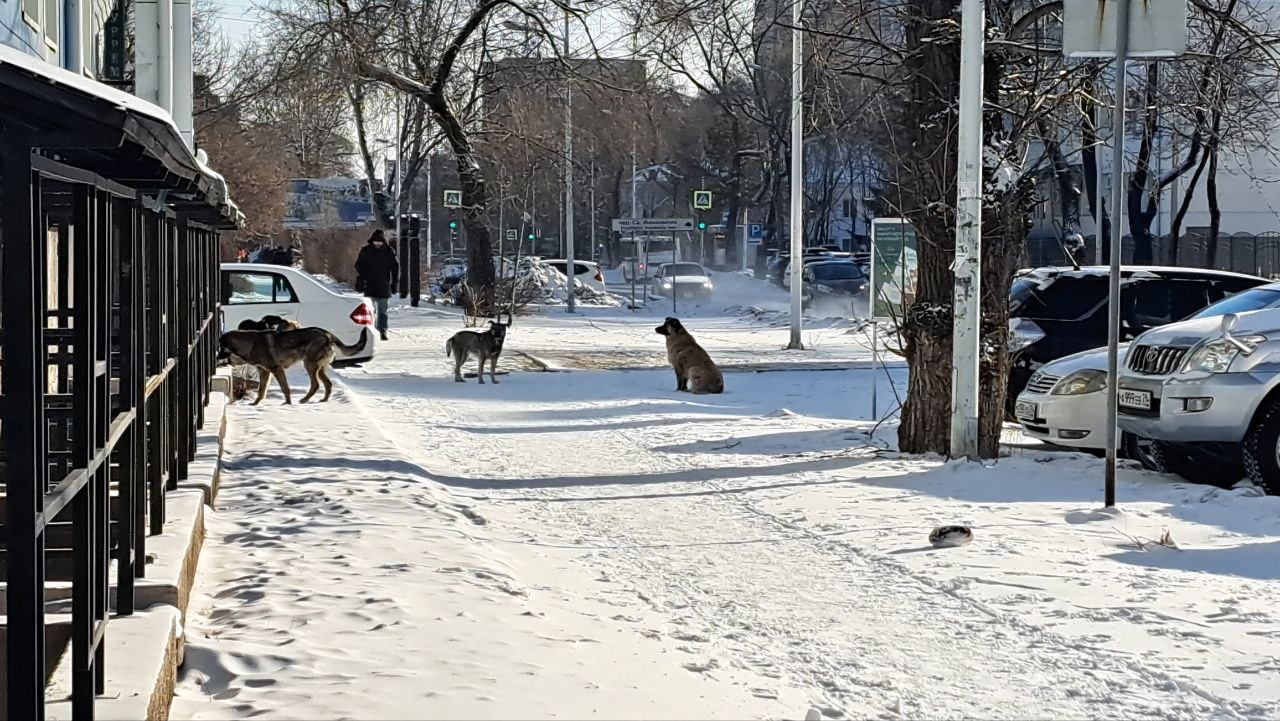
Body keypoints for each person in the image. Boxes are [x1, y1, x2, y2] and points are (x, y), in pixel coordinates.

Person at [355, 229, 399, 341]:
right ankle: (372, 330)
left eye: (379, 242)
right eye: (376, 241)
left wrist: (395, 282)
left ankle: (382, 330)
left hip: (383, 285)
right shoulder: (366, 251)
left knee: (382, 311)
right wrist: (363, 276)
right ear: (372, 241)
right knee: (371, 310)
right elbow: (359, 265)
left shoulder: (389, 251)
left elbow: (395, 268)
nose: (377, 244)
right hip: (370, 284)